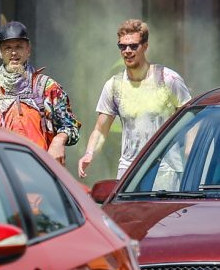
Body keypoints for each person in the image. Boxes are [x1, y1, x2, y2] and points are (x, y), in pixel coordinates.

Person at [78, 19, 191, 179]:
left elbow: (191, 118)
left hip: (165, 170)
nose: (127, 51)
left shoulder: (167, 79)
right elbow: (100, 130)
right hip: (129, 172)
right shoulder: (114, 85)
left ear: (145, 46)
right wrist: (89, 153)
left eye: (133, 46)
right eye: (122, 46)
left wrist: (191, 151)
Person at [0, 21, 80, 164]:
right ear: (0, 52)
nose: (13, 52)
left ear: (28, 50)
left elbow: (71, 126)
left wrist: (59, 140)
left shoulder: (46, 88)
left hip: (39, 172)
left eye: (19, 47)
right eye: (8, 47)